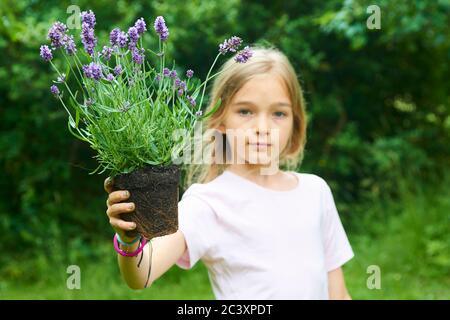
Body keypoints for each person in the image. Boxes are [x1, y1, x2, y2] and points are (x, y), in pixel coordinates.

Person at [105, 45, 354, 299]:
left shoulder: (315, 191)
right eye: (245, 111)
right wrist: (129, 238)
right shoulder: (209, 202)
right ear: (221, 120)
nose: (262, 127)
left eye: (279, 113)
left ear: (296, 121)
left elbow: (339, 293)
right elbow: (142, 274)